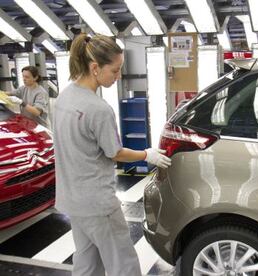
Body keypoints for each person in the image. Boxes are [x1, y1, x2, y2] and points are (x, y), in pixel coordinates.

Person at [53, 33, 171, 276]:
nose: (118, 77)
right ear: (95, 67)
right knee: (124, 264)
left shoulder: (64, 98)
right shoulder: (98, 109)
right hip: (98, 204)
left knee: (87, 263)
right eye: (115, 71)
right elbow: (115, 152)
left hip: (72, 200)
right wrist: (146, 154)